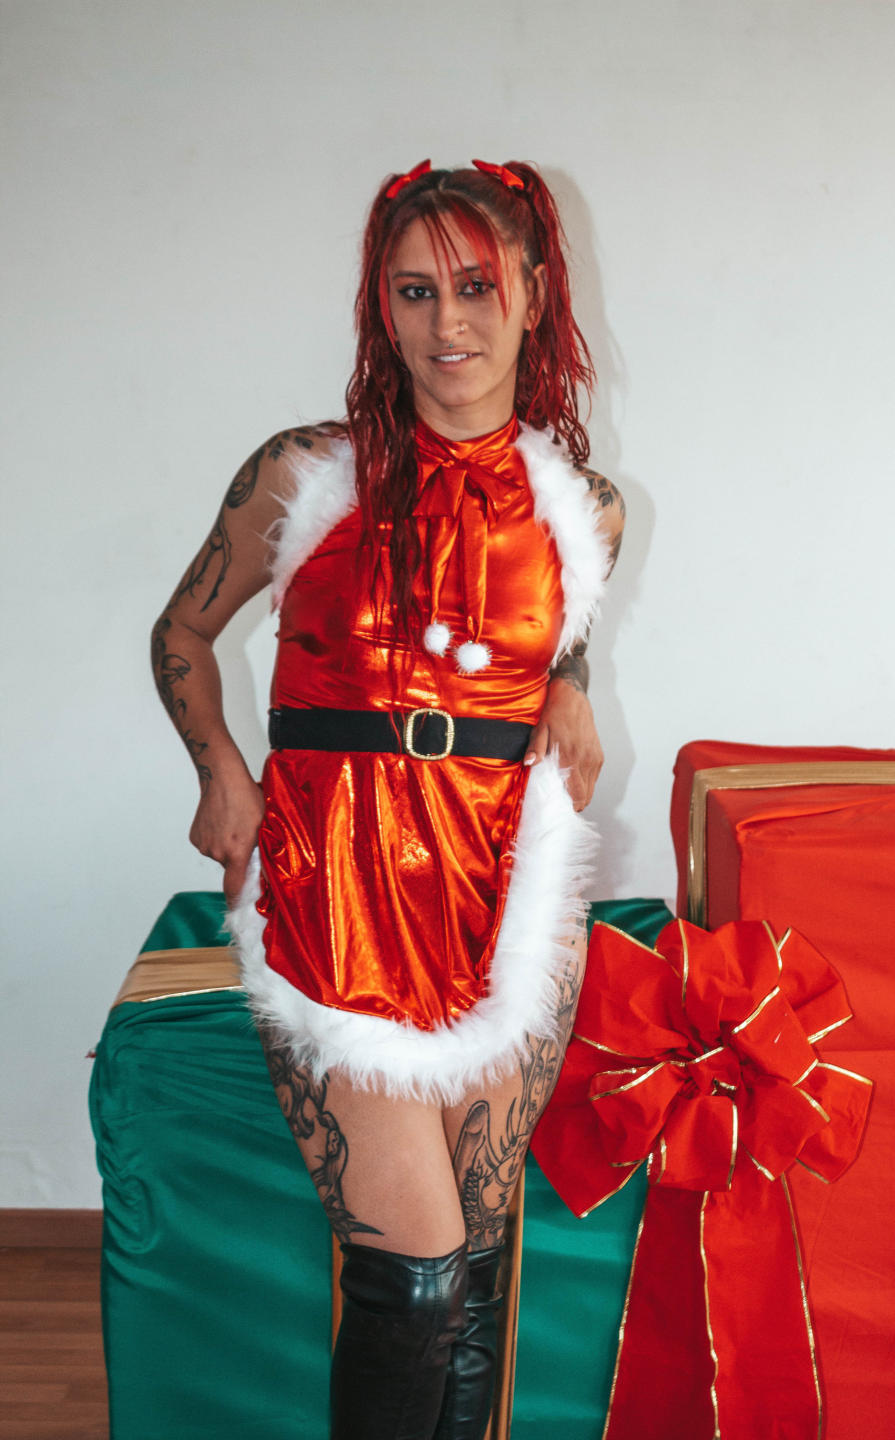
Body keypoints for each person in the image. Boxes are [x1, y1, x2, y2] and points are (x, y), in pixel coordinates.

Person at [151, 158, 625, 1440]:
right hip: (336, 878)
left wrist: (569, 686)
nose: (447, 322)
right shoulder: (304, 471)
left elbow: (544, 636)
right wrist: (221, 772)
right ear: (381, 306)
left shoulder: (584, 508)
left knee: (470, 1263)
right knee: (413, 1271)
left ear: (535, 293)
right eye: (414, 292)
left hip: (503, 891)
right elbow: (182, 634)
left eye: (475, 286)